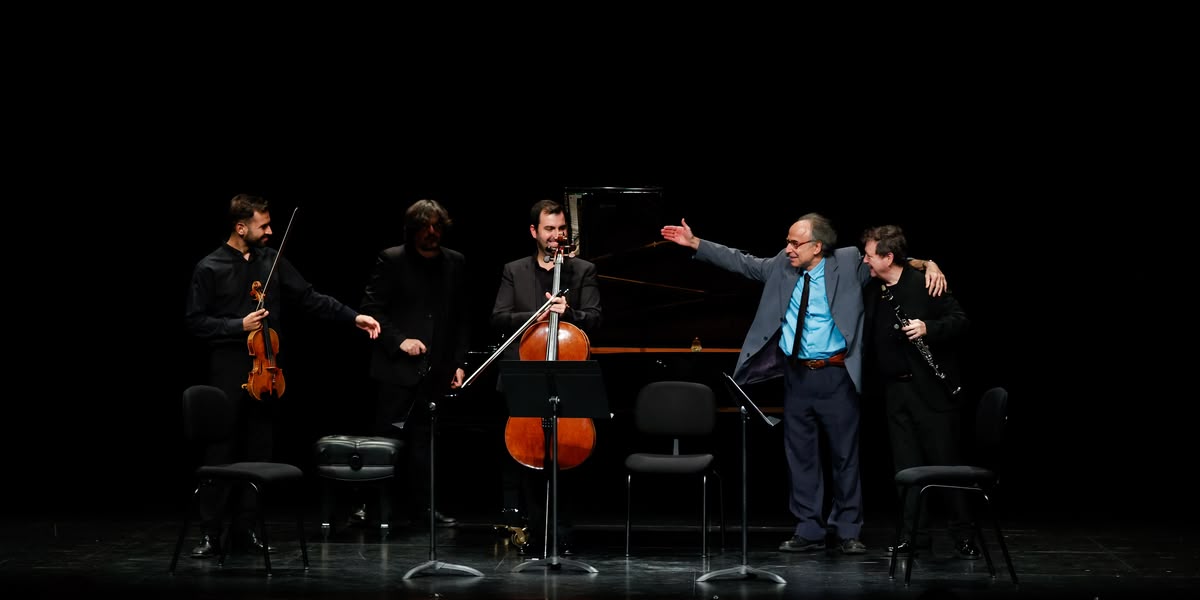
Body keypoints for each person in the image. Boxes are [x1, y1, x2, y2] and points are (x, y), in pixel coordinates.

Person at [660, 213, 944, 555]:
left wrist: (929, 264)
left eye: (796, 243)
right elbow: (742, 262)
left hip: (836, 374)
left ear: (818, 246)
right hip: (797, 376)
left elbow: (888, 259)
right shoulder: (781, 265)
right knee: (801, 456)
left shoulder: (849, 260)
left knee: (844, 457)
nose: (788, 248)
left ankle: (847, 530)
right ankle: (808, 529)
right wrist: (696, 244)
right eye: (788, 241)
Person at [184, 193, 381, 558]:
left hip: (267, 376)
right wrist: (237, 325)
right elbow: (195, 323)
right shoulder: (208, 267)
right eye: (264, 225)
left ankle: (246, 530)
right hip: (226, 377)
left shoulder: (271, 262)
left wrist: (353, 317)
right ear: (240, 227)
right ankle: (211, 533)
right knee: (221, 455)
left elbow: (309, 298)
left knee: (259, 452)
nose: (271, 231)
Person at [861, 224, 979, 559]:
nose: (865, 261)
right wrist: (926, 259)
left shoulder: (926, 282)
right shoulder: (875, 289)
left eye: (870, 255)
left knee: (947, 466)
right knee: (906, 469)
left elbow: (961, 321)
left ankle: (964, 535)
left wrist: (930, 328)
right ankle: (914, 536)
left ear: (888, 256)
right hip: (896, 393)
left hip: (933, 393)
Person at [490, 199, 602, 555]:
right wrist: (536, 315)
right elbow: (499, 317)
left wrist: (571, 312)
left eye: (561, 229)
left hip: (567, 372)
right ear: (534, 232)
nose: (557, 236)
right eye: (550, 229)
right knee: (526, 456)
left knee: (567, 456)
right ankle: (533, 527)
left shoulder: (582, 270)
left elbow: (595, 318)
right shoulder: (514, 270)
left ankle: (563, 528)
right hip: (525, 370)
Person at [357, 198, 470, 528]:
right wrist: (399, 340)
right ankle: (377, 508)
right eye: (424, 226)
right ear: (412, 230)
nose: (431, 232)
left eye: (436, 225)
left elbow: (462, 319)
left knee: (426, 444)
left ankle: (423, 509)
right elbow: (371, 309)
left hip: (436, 370)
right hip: (396, 370)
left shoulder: (455, 262)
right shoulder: (392, 259)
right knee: (388, 442)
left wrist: (459, 363)